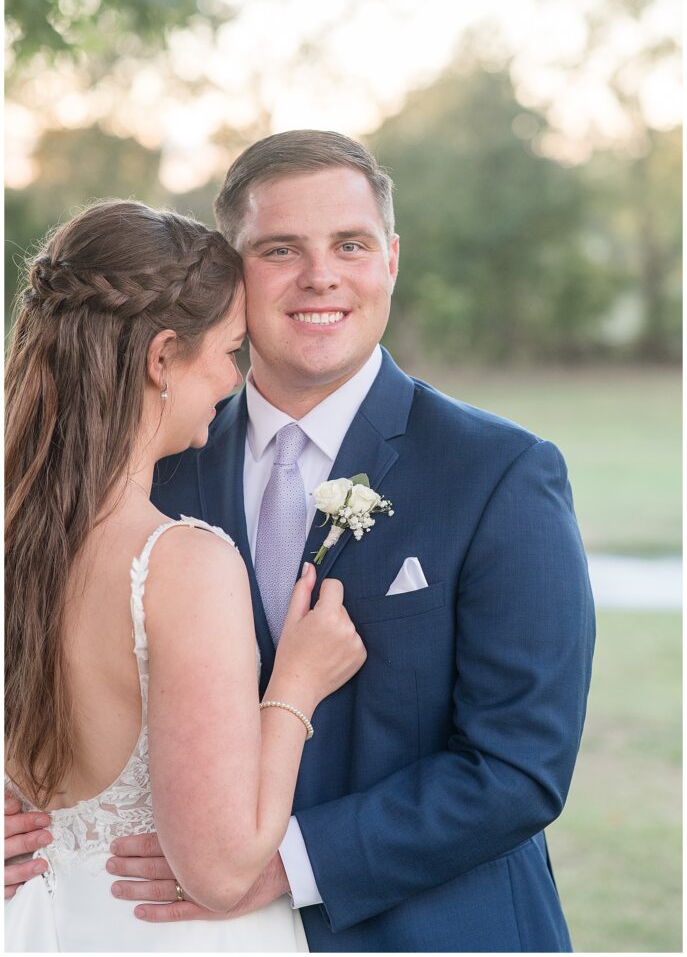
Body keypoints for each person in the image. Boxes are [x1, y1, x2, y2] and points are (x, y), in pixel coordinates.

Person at [7, 131, 595, 952]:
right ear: (229, 274)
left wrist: (281, 862)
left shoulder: (500, 473)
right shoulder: (147, 462)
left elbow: (519, 766)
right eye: (281, 248)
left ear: (390, 259)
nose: (320, 275)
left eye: (350, 245)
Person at [3, 199, 366, 952]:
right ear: (161, 356)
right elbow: (222, 871)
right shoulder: (180, 562)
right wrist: (296, 685)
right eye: (229, 349)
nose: (233, 379)